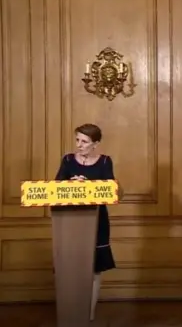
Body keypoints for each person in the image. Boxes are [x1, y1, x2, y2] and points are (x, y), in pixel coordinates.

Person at [55, 123, 118, 321]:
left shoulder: (106, 161)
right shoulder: (67, 160)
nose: (79, 145)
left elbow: (110, 189)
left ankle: (88, 314)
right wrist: (70, 184)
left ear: (95, 144)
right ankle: (70, 313)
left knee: (95, 268)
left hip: (97, 221)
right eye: (77, 140)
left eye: (84, 141)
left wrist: (88, 185)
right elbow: (56, 187)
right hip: (68, 222)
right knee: (71, 265)